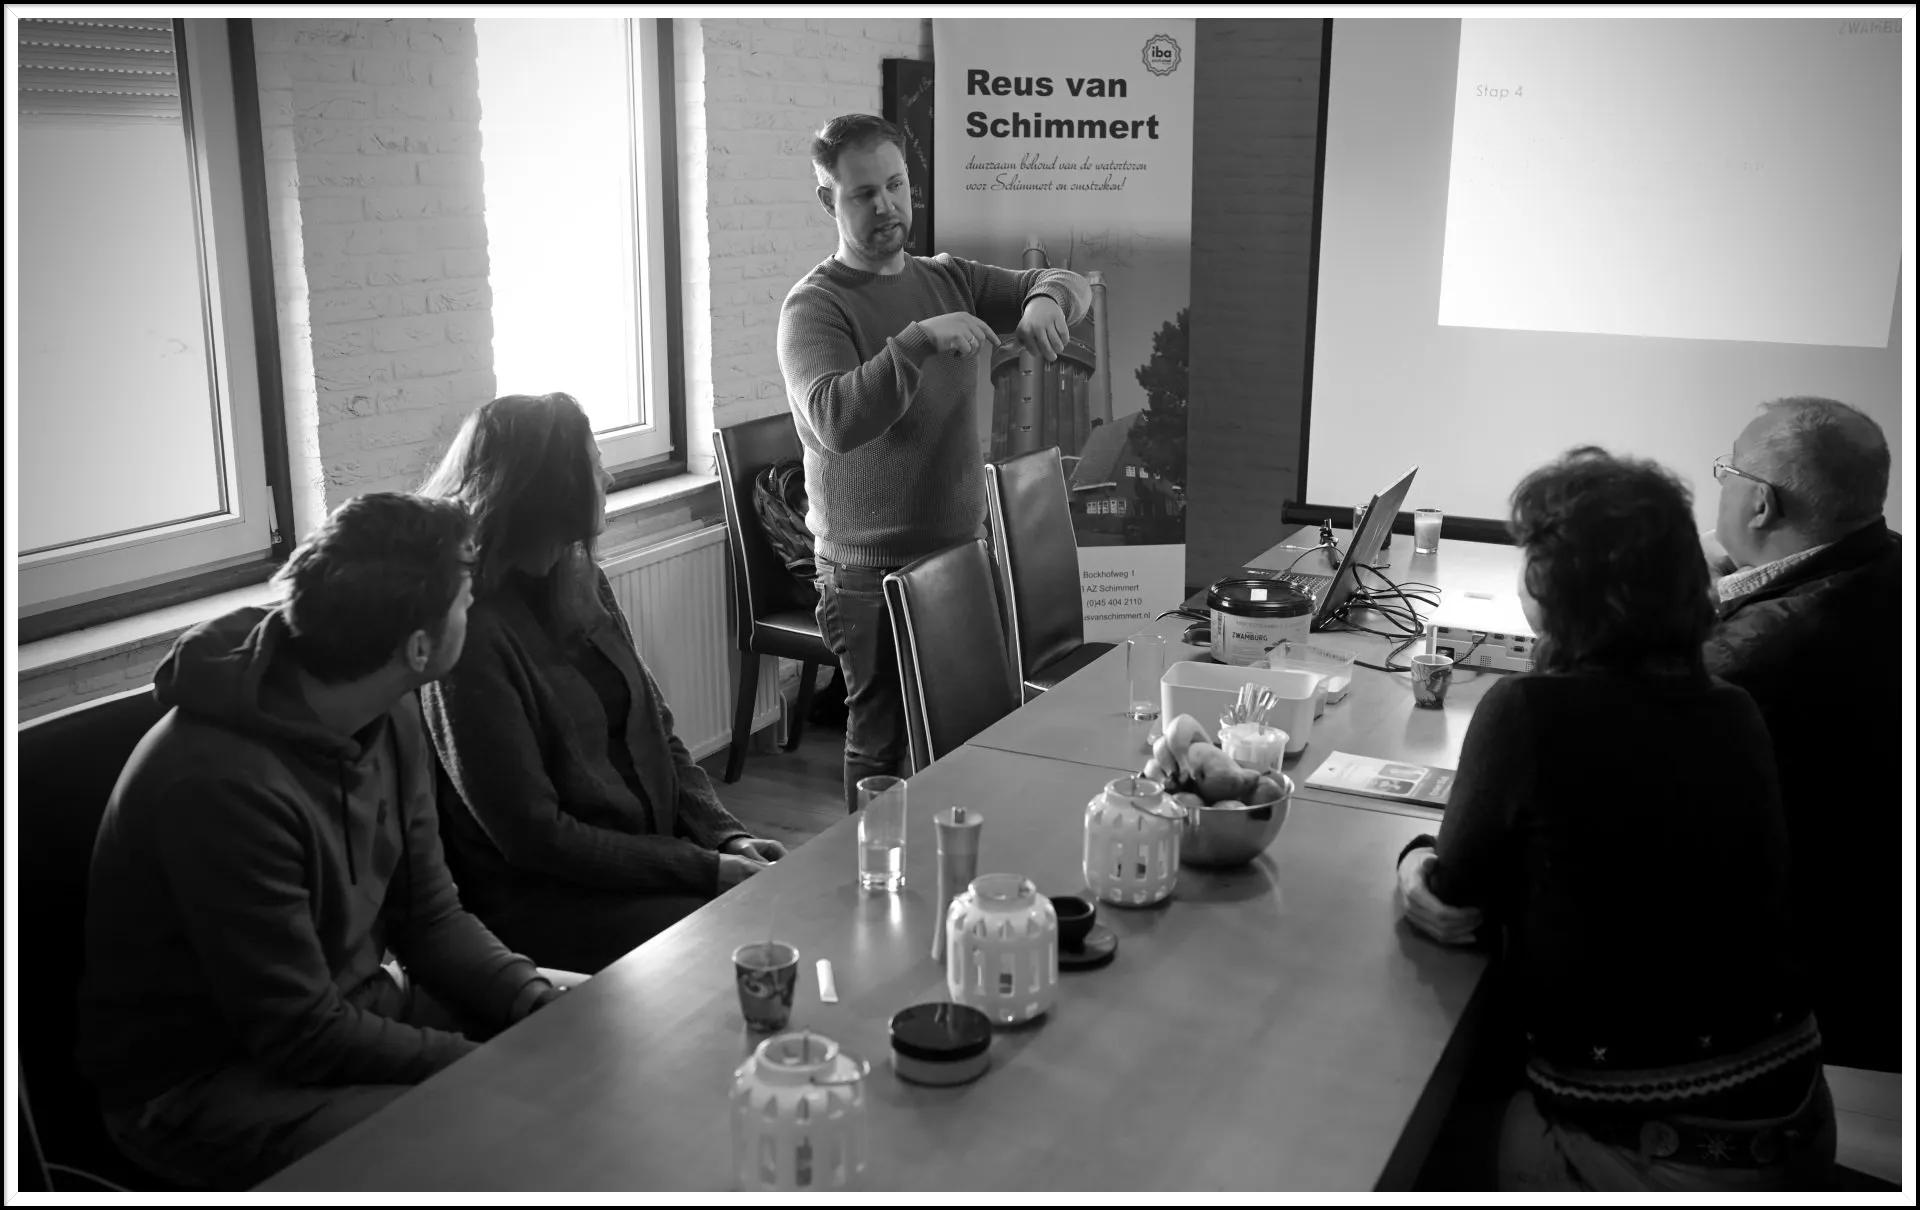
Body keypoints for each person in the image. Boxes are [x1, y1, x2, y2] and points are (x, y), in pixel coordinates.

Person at [77, 493, 580, 1191]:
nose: (474, 610)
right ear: (419, 647)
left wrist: (529, 996)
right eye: (465, 602)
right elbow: (300, 1034)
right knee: (506, 1130)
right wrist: (481, 1065)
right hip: (203, 1086)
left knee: (596, 1026)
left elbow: (430, 918)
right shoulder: (218, 785)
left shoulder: (388, 710)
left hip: (352, 1010)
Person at [1393, 448, 1834, 1192]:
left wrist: (1412, 857)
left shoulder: (1526, 712)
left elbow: (1454, 898)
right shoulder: (1734, 708)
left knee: (1400, 1141)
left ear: (1555, 585)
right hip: (1794, 1125)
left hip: (1646, 1157)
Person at [776, 113, 1093, 811]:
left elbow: (1066, 280)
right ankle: (872, 873)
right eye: (863, 193)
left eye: (895, 185)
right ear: (829, 200)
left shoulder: (947, 278)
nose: (886, 205)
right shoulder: (814, 307)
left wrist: (1046, 301)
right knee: (882, 748)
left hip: (961, 557)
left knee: (971, 739)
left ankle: (958, 868)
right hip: (867, 573)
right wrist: (916, 342)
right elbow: (834, 420)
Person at [418, 393, 787, 974]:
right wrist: (704, 870)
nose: (608, 478)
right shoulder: (471, 635)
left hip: (641, 863)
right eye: (594, 465)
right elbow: (536, 838)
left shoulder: (581, 575)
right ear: (549, 489)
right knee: (745, 934)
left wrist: (724, 838)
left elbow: (659, 732)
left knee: (778, 907)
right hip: (547, 901)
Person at [1702, 396, 1902, 1074]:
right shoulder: (1885, 569)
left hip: (1778, 988)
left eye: (1727, 470)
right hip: (1868, 943)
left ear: (1760, 504)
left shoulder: (1756, 655)